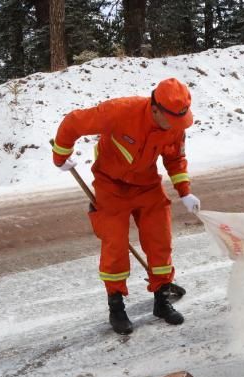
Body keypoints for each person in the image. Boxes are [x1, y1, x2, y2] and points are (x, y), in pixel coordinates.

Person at [51, 78, 201, 335]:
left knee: (160, 240)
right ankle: (116, 305)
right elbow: (74, 122)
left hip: (147, 186)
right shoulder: (119, 111)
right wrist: (61, 154)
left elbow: (175, 158)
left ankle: (161, 299)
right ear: (155, 109)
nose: (176, 127)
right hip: (111, 186)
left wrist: (185, 192)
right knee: (115, 245)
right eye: (172, 120)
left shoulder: (175, 125)